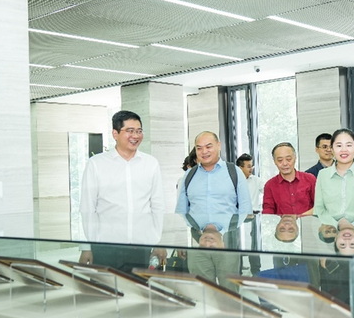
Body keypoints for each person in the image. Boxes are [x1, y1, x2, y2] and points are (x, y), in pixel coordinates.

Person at [79, 110, 165, 271]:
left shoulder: (151, 163)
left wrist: (158, 242)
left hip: (141, 247)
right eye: (130, 131)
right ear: (115, 133)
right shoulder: (96, 164)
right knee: (104, 286)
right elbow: (87, 208)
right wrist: (86, 246)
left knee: (139, 287)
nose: (136, 136)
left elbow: (157, 206)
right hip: (106, 247)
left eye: (139, 131)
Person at [175, 131, 253, 284]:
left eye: (208, 146)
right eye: (199, 148)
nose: (204, 151)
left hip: (228, 243)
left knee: (229, 290)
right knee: (201, 290)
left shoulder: (234, 172)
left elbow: (245, 209)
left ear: (218, 145)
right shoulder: (189, 175)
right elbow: (181, 212)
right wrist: (180, 242)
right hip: (197, 244)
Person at [313, 129, 354, 217]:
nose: (344, 150)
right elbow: (319, 211)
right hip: (330, 226)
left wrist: (353, 223)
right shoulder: (323, 175)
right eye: (339, 145)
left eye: (349, 145)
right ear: (332, 149)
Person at [263, 142, 316, 215]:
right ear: (274, 161)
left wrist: (299, 218)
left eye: (288, 159)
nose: (285, 163)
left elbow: (319, 206)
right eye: (280, 160)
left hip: (308, 221)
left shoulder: (310, 179)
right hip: (282, 222)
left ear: (295, 158)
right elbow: (268, 212)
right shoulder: (270, 185)